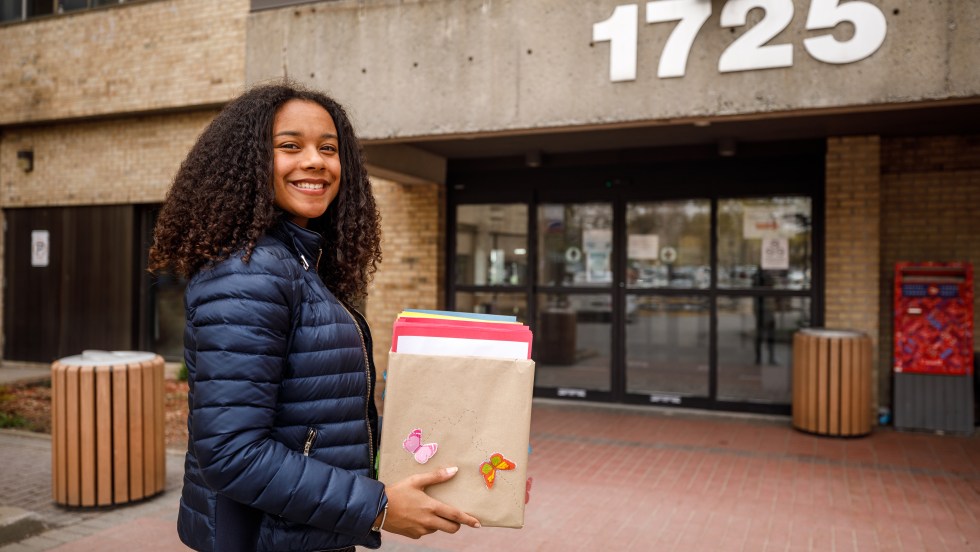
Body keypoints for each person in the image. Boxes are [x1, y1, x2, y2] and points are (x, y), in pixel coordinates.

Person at [148, 80, 480, 552]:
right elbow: (232, 453)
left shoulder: (300, 264)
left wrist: (473, 468)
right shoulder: (250, 272)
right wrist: (378, 508)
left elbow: (325, 421)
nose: (316, 161)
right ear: (248, 162)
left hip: (305, 533)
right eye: (290, 146)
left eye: (328, 148)